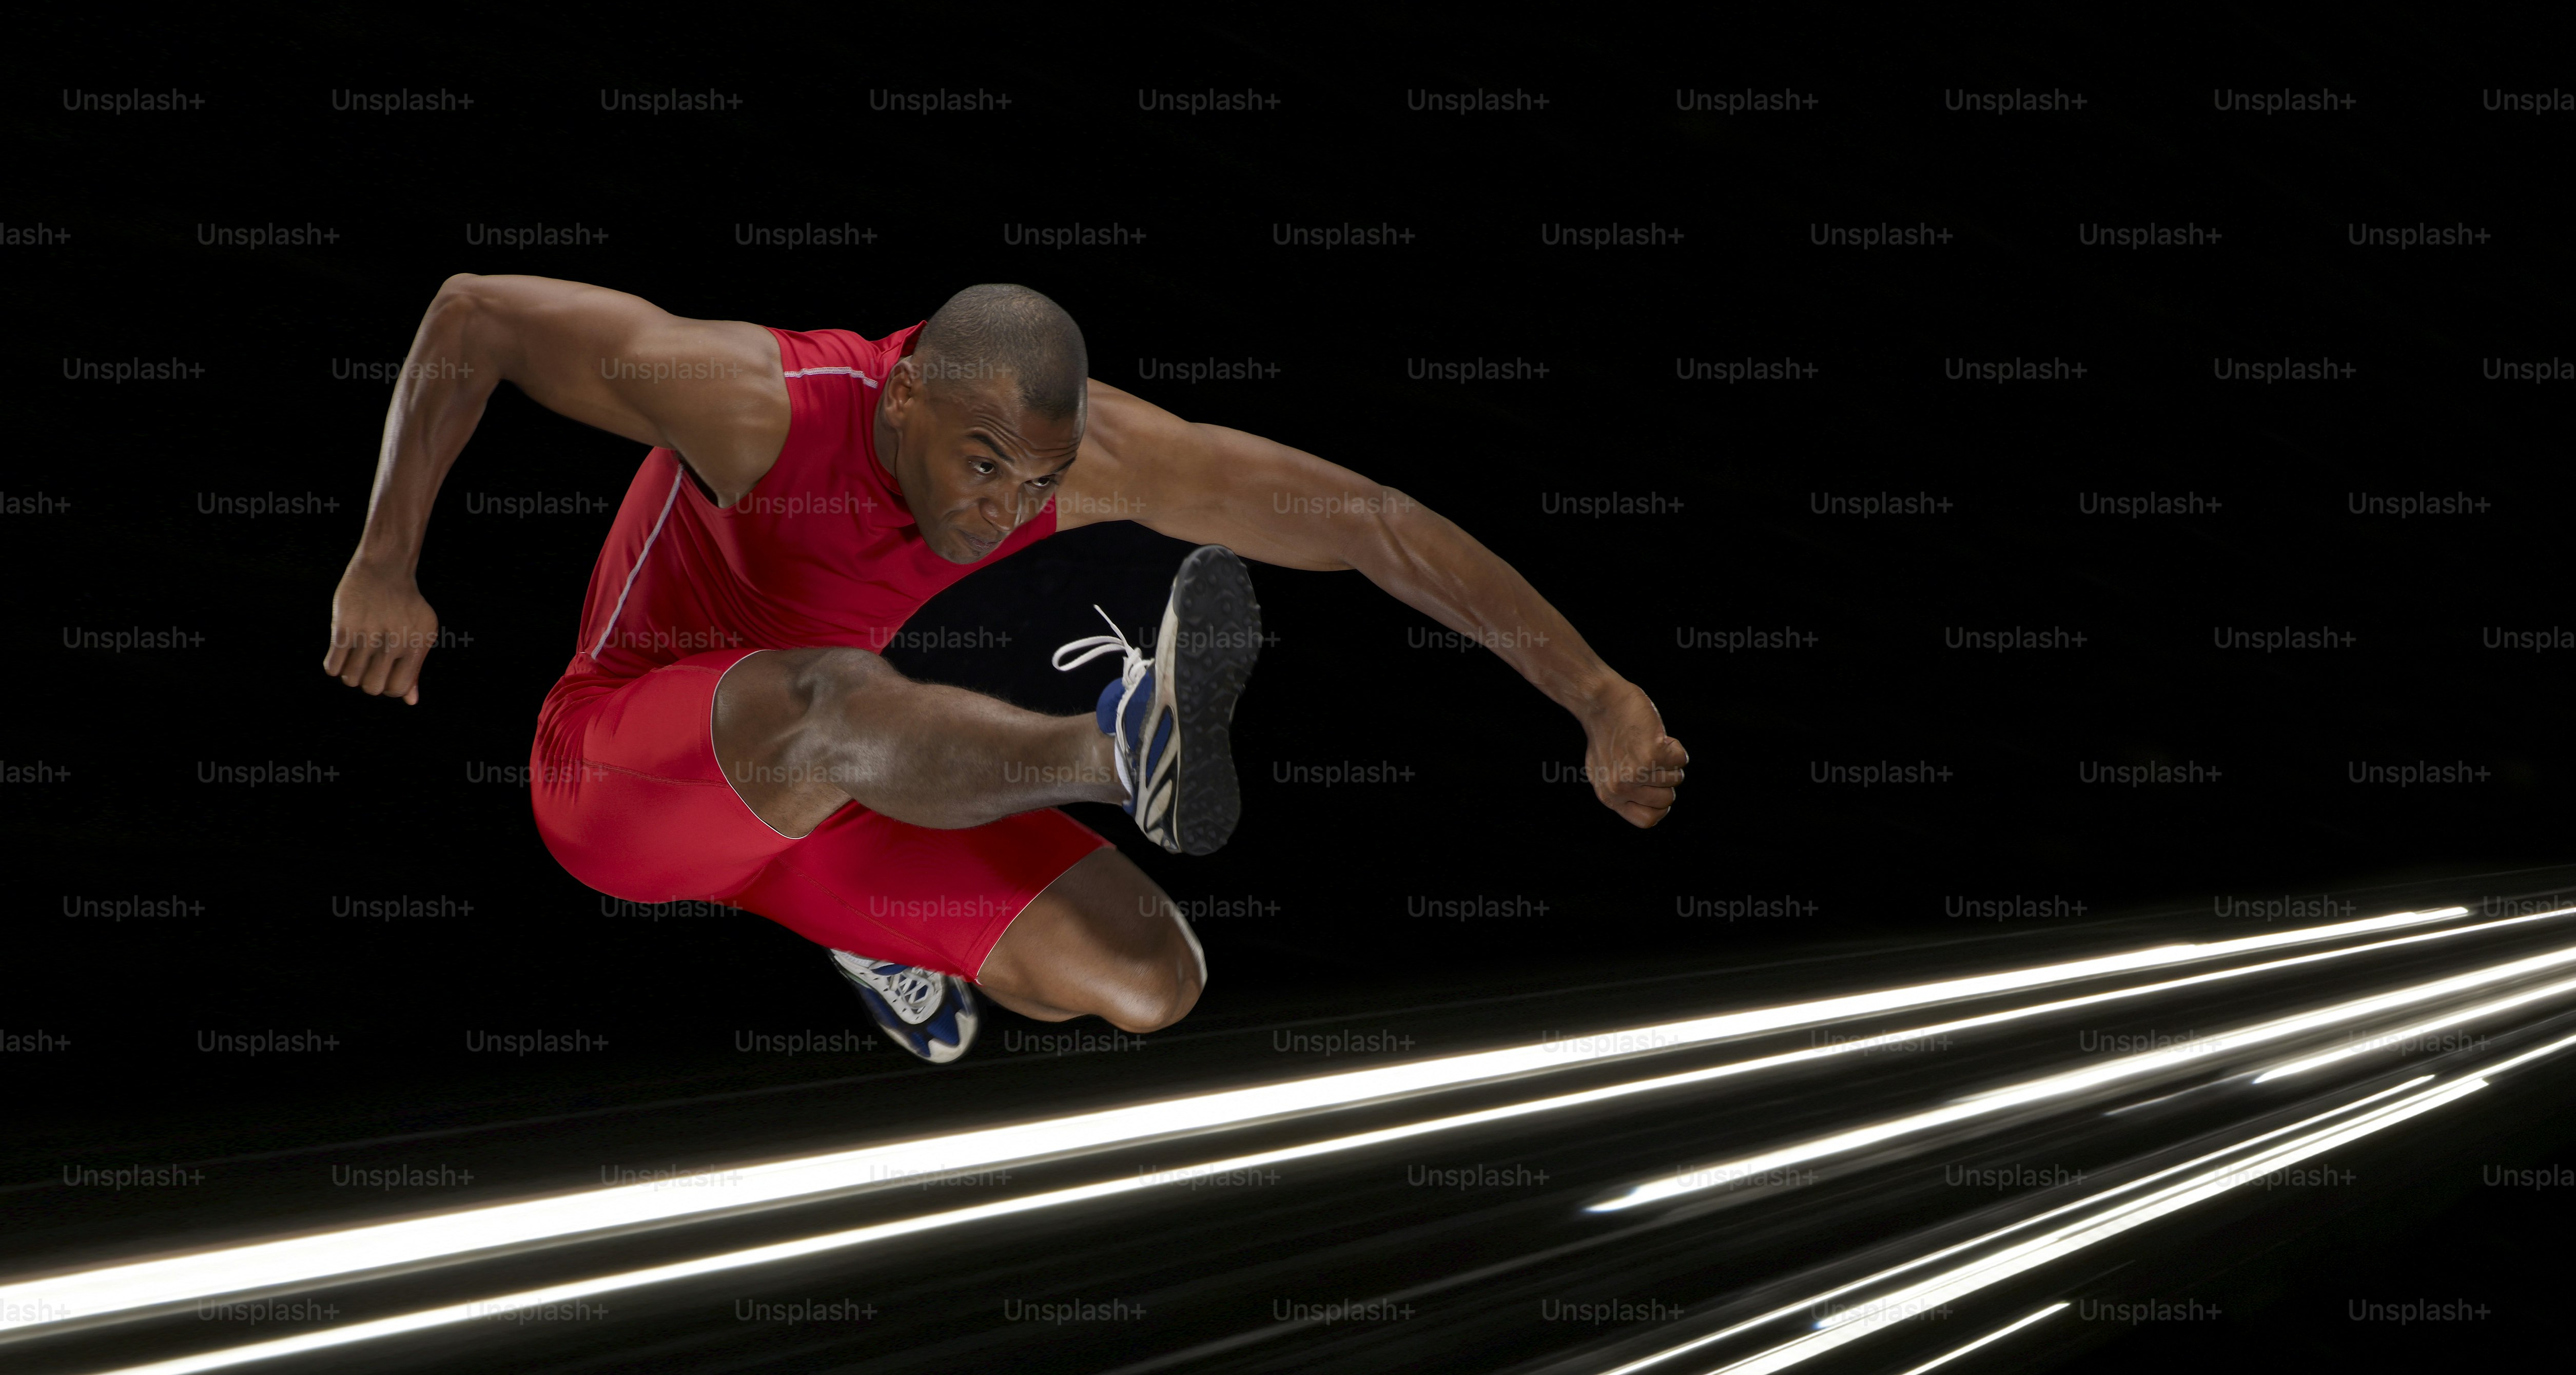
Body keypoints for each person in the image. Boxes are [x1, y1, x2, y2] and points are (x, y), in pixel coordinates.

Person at [325, 277, 1687, 1061]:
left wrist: (1596, 692)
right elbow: (475, 314)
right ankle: (1116, 744)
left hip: (816, 799)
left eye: (1035, 481)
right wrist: (386, 558)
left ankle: (867, 929)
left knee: (1150, 977)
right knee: (829, 694)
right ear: (907, 392)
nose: (1003, 510)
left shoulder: (1078, 463)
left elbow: (1371, 521)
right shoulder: (762, 403)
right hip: (614, 775)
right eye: (981, 466)